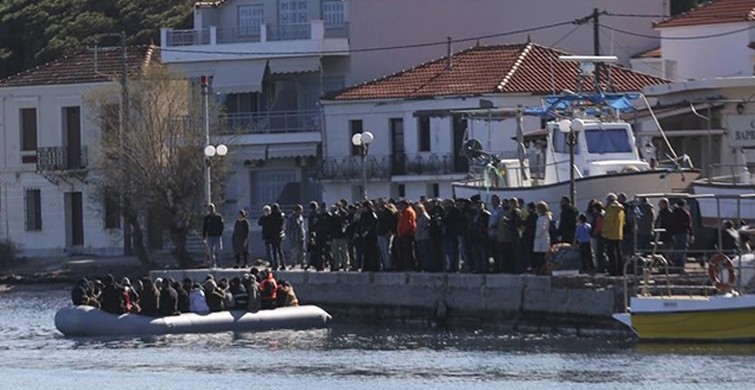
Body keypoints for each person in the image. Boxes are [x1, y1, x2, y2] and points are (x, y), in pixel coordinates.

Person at [602, 193, 626, 276]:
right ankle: (621, 270)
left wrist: (604, 231)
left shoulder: (611, 209)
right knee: (619, 253)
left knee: (611, 254)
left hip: (610, 234)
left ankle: (613, 271)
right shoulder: (621, 209)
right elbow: (623, 222)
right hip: (619, 233)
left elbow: (608, 222)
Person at [669, 199, 692, 269]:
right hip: (684, 232)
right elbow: (689, 224)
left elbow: (672, 223)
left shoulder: (674, 212)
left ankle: (675, 261)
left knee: (676, 247)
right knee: (683, 247)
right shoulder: (686, 213)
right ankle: (680, 263)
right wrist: (691, 233)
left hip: (675, 232)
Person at [395, 200, 417, 271]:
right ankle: (406, 265)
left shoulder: (408, 211)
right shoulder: (404, 212)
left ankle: (409, 266)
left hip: (407, 235)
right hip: (403, 234)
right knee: (404, 252)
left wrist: (402, 233)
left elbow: (408, 224)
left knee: (408, 252)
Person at [532, 201, 552, 273]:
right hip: (540, 239)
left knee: (543, 255)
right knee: (539, 255)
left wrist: (537, 235)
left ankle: (543, 270)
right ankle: (541, 269)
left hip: (541, 239)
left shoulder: (544, 218)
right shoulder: (541, 217)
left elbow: (543, 228)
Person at [203, 203, 224, 268]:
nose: (211, 210)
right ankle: (212, 264)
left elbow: (222, 226)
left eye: (212, 208)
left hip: (217, 236)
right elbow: (204, 227)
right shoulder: (207, 218)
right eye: (210, 208)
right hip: (210, 236)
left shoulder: (218, 217)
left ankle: (220, 263)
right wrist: (204, 236)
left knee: (219, 250)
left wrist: (220, 233)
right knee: (210, 251)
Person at [285, 204, 307, 269]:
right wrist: (290, 235)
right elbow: (288, 228)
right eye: (300, 210)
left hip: (301, 236)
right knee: (294, 251)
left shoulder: (301, 217)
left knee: (302, 251)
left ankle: (303, 263)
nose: (301, 211)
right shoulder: (291, 218)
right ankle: (293, 263)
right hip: (294, 237)